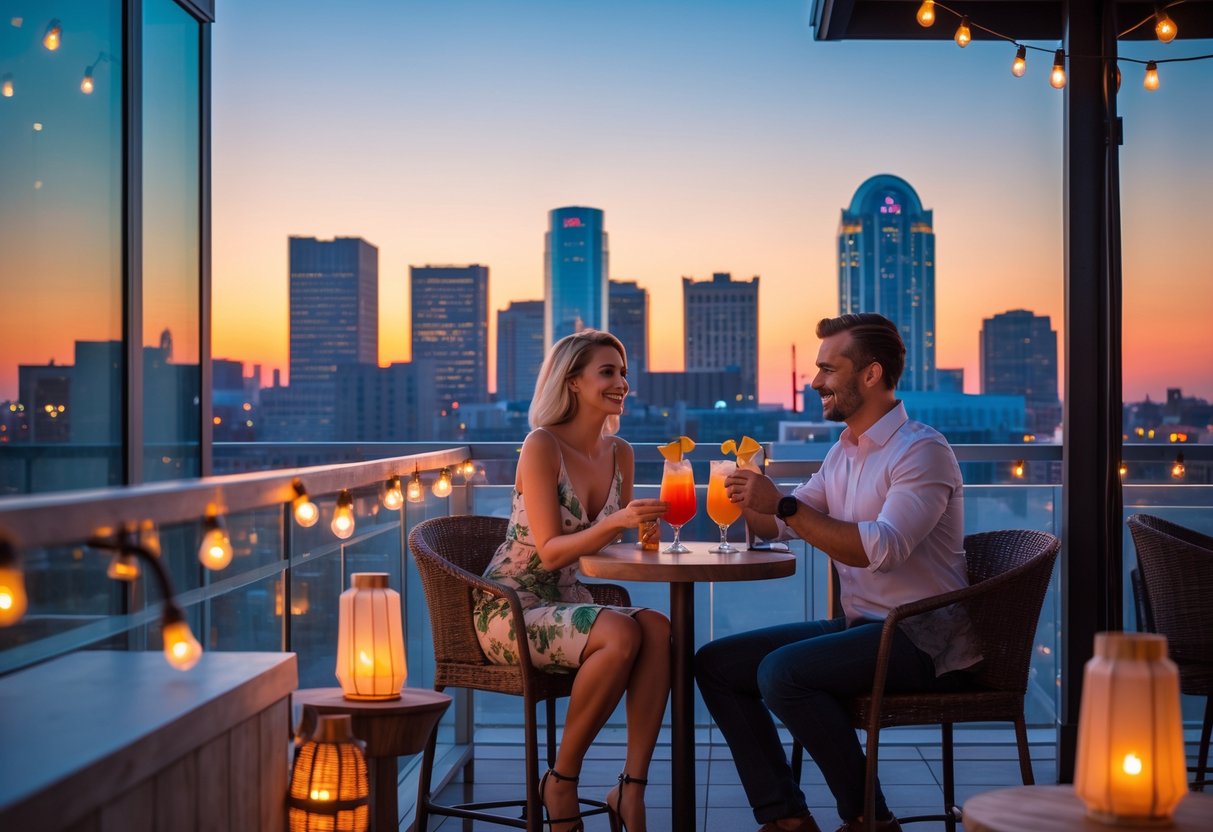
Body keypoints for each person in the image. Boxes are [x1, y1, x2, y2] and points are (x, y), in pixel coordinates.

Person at [696, 313, 978, 832]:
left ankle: (868, 818)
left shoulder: (922, 450)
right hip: (863, 625)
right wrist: (751, 495)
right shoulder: (844, 451)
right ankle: (786, 819)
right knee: (716, 665)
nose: (815, 381)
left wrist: (781, 507)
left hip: (921, 636)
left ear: (870, 375)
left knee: (782, 674)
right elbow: (788, 521)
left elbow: (883, 547)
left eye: (828, 368)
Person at [473, 330, 670, 832]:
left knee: (660, 629)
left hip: (571, 599)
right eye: (607, 371)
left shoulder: (621, 452)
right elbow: (551, 549)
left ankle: (631, 787)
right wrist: (615, 523)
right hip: (511, 606)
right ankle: (561, 781)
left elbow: (614, 543)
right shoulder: (542, 446)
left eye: (623, 372)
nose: (621, 382)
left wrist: (646, 534)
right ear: (573, 381)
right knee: (624, 632)